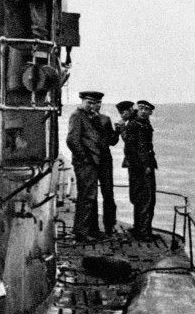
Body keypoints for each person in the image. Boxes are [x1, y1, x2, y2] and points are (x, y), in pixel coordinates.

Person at [66, 90, 118, 241]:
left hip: (100, 161)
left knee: (92, 196)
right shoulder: (77, 116)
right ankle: (81, 232)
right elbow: (72, 140)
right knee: (87, 196)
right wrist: (84, 158)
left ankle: (93, 229)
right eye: (90, 102)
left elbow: (108, 140)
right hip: (86, 162)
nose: (93, 106)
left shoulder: (100, 119)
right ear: (82, 102)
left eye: (96, 103)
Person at [124, 99, 158, 240]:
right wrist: (145, 166)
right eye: (141, 108)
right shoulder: (134, 125)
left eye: (146, 109)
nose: (143, 111)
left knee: (143, 199)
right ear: (137, 109)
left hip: (141, 165)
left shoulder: (143, 123)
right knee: (145, 199)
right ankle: (143, 232)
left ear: (150, 112)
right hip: (141, 167)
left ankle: (141, 229)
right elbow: (133, 149)